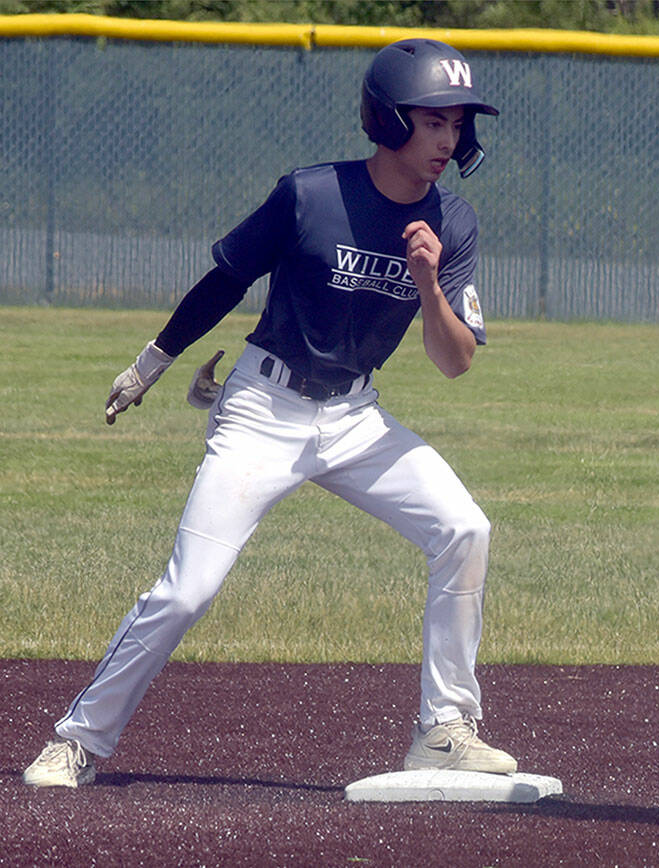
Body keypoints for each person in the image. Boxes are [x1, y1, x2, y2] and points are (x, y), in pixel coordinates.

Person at [24, 38, 516, 788]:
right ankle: (80, 741)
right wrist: (150, 363)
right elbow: (227, 277)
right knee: (188, 588)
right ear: (387, 121)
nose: (448, 140)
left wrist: (428, 281)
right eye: (432, 122)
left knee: (464, 528)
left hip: (356, 419)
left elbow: (456, 360)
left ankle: (444, 730)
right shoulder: (311, 194)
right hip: (262, 409)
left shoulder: (455, 220)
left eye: (457, 125)